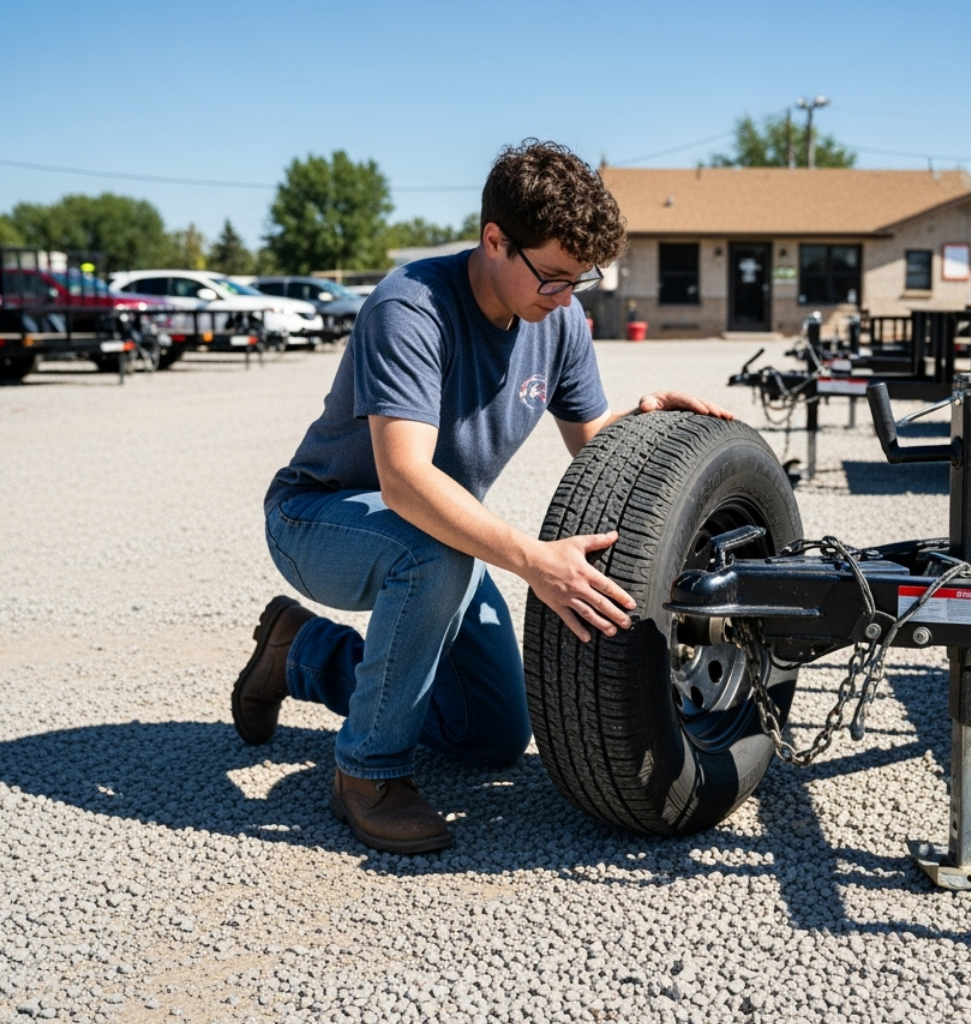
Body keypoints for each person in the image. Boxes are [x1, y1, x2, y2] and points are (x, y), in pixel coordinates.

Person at [233, 140, 732, 854]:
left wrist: (646, 422)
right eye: (553, 276)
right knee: (435, 554)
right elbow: (404, 480)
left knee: (491, 734)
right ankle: (366, 773)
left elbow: (591, 440)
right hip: (318, 518)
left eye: (579, 280)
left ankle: (300, 654)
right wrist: (532, 560)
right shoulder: (410, 308)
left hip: (434, 535)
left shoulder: (556, 320)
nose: (565, 296)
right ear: (495, 239)